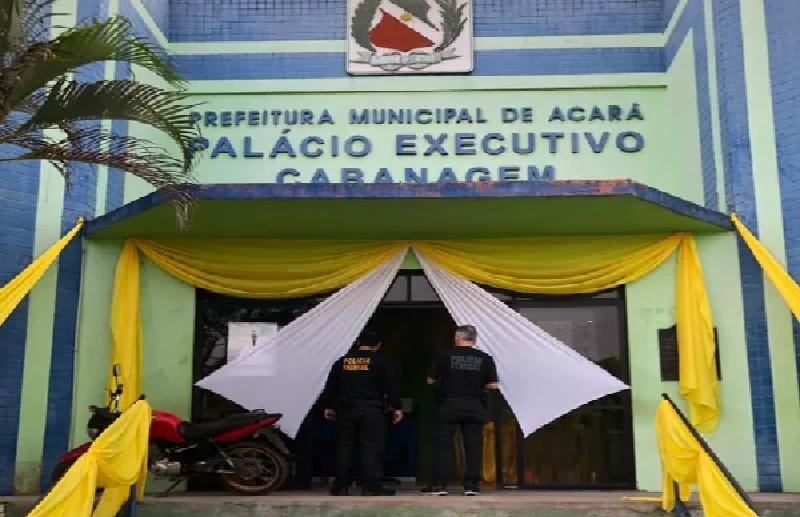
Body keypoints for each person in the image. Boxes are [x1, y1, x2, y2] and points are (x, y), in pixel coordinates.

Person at [320, 331, 403, 496]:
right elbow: (390, 386)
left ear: (358, 342)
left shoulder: (342, 361)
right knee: (371, 447)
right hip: (372, 409)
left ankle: (341, 486)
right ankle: (370, 486)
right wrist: (397, 407)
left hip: (346, 409)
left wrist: (327, 406)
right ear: (378, 346)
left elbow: (331, 386)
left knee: (345, 446)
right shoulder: (381, 362)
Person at [422, 325, 499, 496]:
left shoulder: (444, 355)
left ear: (458, 337)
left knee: (443, 444)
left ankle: (440, 485)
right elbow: (493, 385)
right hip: (474, 405)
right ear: (474, 340)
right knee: (473, 446)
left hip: (449, 404)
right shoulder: (485, 358)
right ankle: (471, 486)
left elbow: (430, 380)